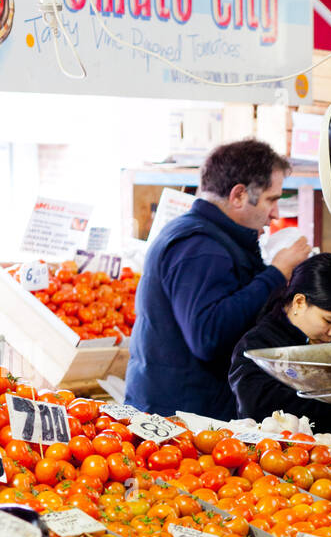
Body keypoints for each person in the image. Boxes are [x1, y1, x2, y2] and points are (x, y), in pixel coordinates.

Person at [126, 140, 311, 419]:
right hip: (180, 423)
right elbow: (207, 336)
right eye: (271, 199)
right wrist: (276, 273)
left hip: (193, 414)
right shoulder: (200, 247)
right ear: (238, 195)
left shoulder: (212, 238)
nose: (275, 214)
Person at [229, 252, 331, 431]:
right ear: (299, 302)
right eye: (329, 321)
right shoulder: (257, 344)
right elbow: (258, 405)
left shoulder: (321, 343)